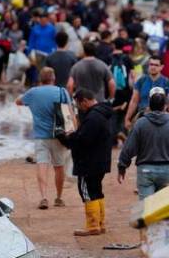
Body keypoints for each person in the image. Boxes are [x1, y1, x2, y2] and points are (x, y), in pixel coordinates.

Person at [55, 89, 114, 236]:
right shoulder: (101, 114)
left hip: (89, 163)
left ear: (85, 101)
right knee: (97, 191)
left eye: (78, 104)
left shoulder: (93, 117)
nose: (79, 107)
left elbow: (83, 140)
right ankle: (100, 224)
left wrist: (66, 138)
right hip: (100, 161)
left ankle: (93, 226)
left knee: (87, 192)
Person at [15, 67, 71, 210]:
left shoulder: (33, 93)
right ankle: (58, 197)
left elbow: (18, 102)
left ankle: (43, 197)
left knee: (42, 164)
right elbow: (70, 113)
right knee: (59, 166)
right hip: (59, 136)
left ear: (40, 79)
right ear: (53, 78)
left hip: (40, 136)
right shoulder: (61, 92)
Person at [117, 87, 169, 199]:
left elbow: (129, 148)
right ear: (165, 105)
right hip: (166, 171)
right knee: (163, 207)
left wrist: (122, 166)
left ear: (149, 105)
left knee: (145, 207)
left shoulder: (140, 124)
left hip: (145, 170)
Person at [125, 55, 169, 129]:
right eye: (151, 64)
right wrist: (127, 118)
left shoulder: (167, 83)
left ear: (162, 67)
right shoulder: (141, 81)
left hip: (160, 120)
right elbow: (134, 101)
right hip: (142, 117)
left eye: (156, 65)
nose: (153, 67)